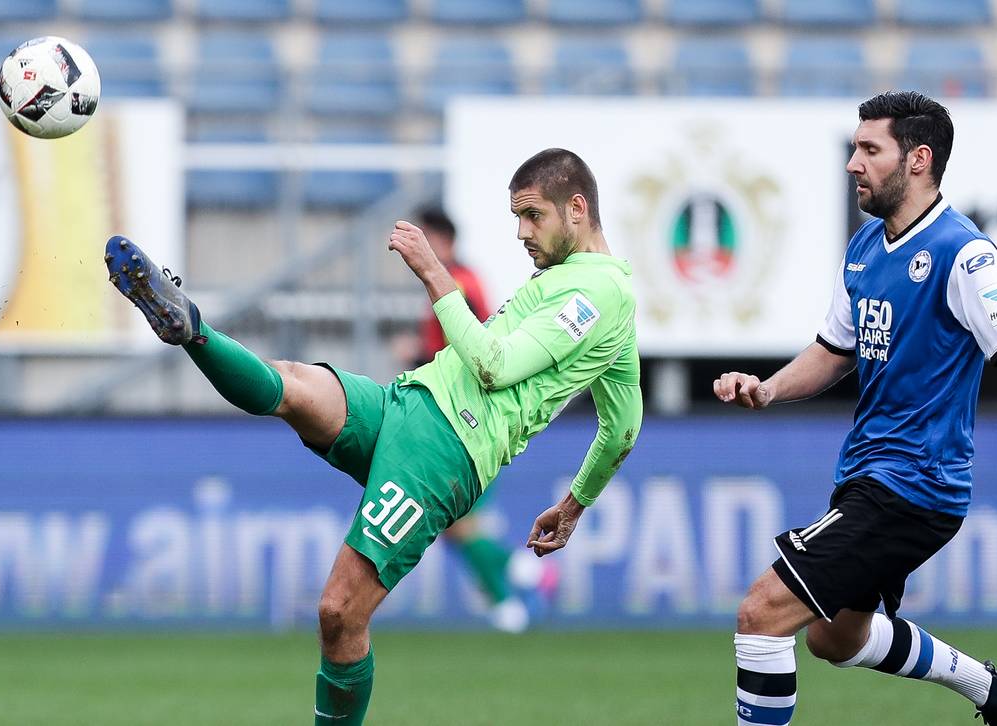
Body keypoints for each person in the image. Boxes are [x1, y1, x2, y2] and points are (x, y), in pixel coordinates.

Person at [103, 148, 642, 725]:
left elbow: (494, 366)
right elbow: (623, 426)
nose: (521, 232)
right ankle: (190, 327)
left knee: (339, 612)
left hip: (447, 447)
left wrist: (433, 272)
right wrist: (573, 506)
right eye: (518, 217)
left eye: (533, 216)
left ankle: (507, 593)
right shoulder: (583, 287)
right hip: (408, 403)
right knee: (293, 386)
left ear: (577, 208)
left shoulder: (598, 296)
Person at [714, 91, 997, 726]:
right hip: (868, 475)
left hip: (914, 483)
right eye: (854, 148)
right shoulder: (865, 246)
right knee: (834, 637)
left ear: (918, 159)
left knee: (762, 612)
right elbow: (833, 350)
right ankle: (995, 691)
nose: (853, 163)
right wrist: (769, 389)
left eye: (870, 149)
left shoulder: (963, 253)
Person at [413, 204, 535, 634]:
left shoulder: (457, 284)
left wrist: (414, 356)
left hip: (468, 415)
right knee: (451, 522)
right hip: (461, 409)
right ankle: (513, 579)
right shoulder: (458, 280)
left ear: (442, 240)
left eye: (425, 239)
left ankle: (509, 592)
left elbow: (464, 345)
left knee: (457, 521)